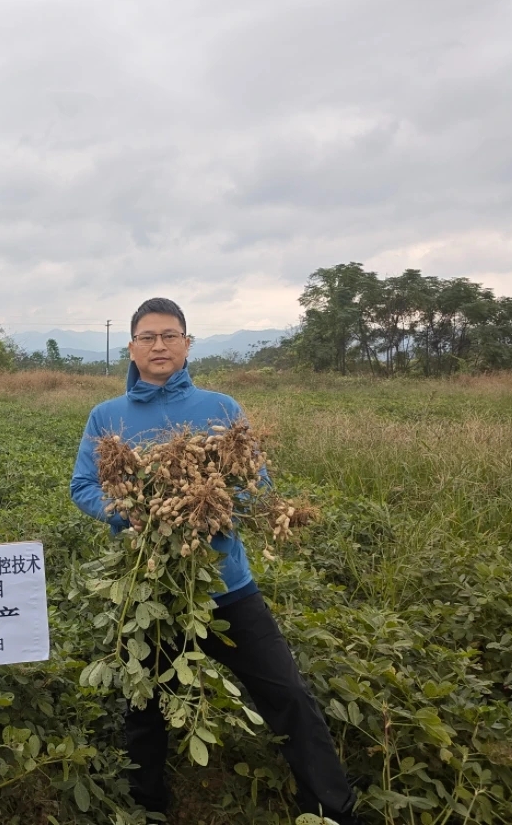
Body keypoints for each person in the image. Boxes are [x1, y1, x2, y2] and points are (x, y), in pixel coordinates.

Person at [70, 298, 360, 825]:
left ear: (187, 344)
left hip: (228, 585)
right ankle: (148, 807)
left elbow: (256, 482)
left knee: (288, 695)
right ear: (131, 348)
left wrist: (216, 505)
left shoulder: (222, 408)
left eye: (170, 335)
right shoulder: (106, 417)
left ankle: (333, 810)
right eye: (147, 337)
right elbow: (83, 486)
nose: (159, 345)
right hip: (152, 588)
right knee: (145, 706)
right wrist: (124, 512)